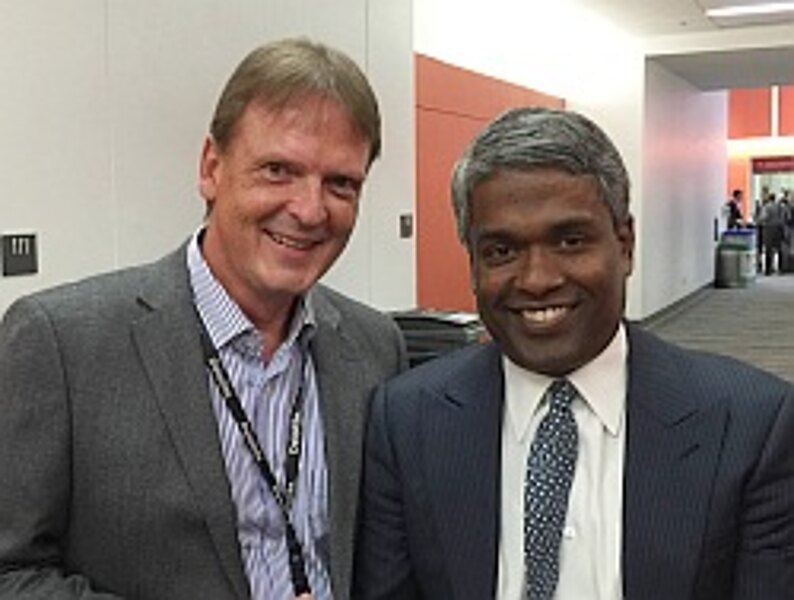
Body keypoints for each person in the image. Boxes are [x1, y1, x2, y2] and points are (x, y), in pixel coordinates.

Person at [0, 38, 406, 600]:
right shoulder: (61, 344)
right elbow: (12, 573)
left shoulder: (376, 347)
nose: (310, 209)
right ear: (211, 167)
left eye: (341, 183)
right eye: (278, 170)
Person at [353, 107, 794, 599]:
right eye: (501, 251)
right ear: (473, 263)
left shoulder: (751, 426)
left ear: (624, 245)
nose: (537, 279)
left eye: (570, 241)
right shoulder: (405, 420)